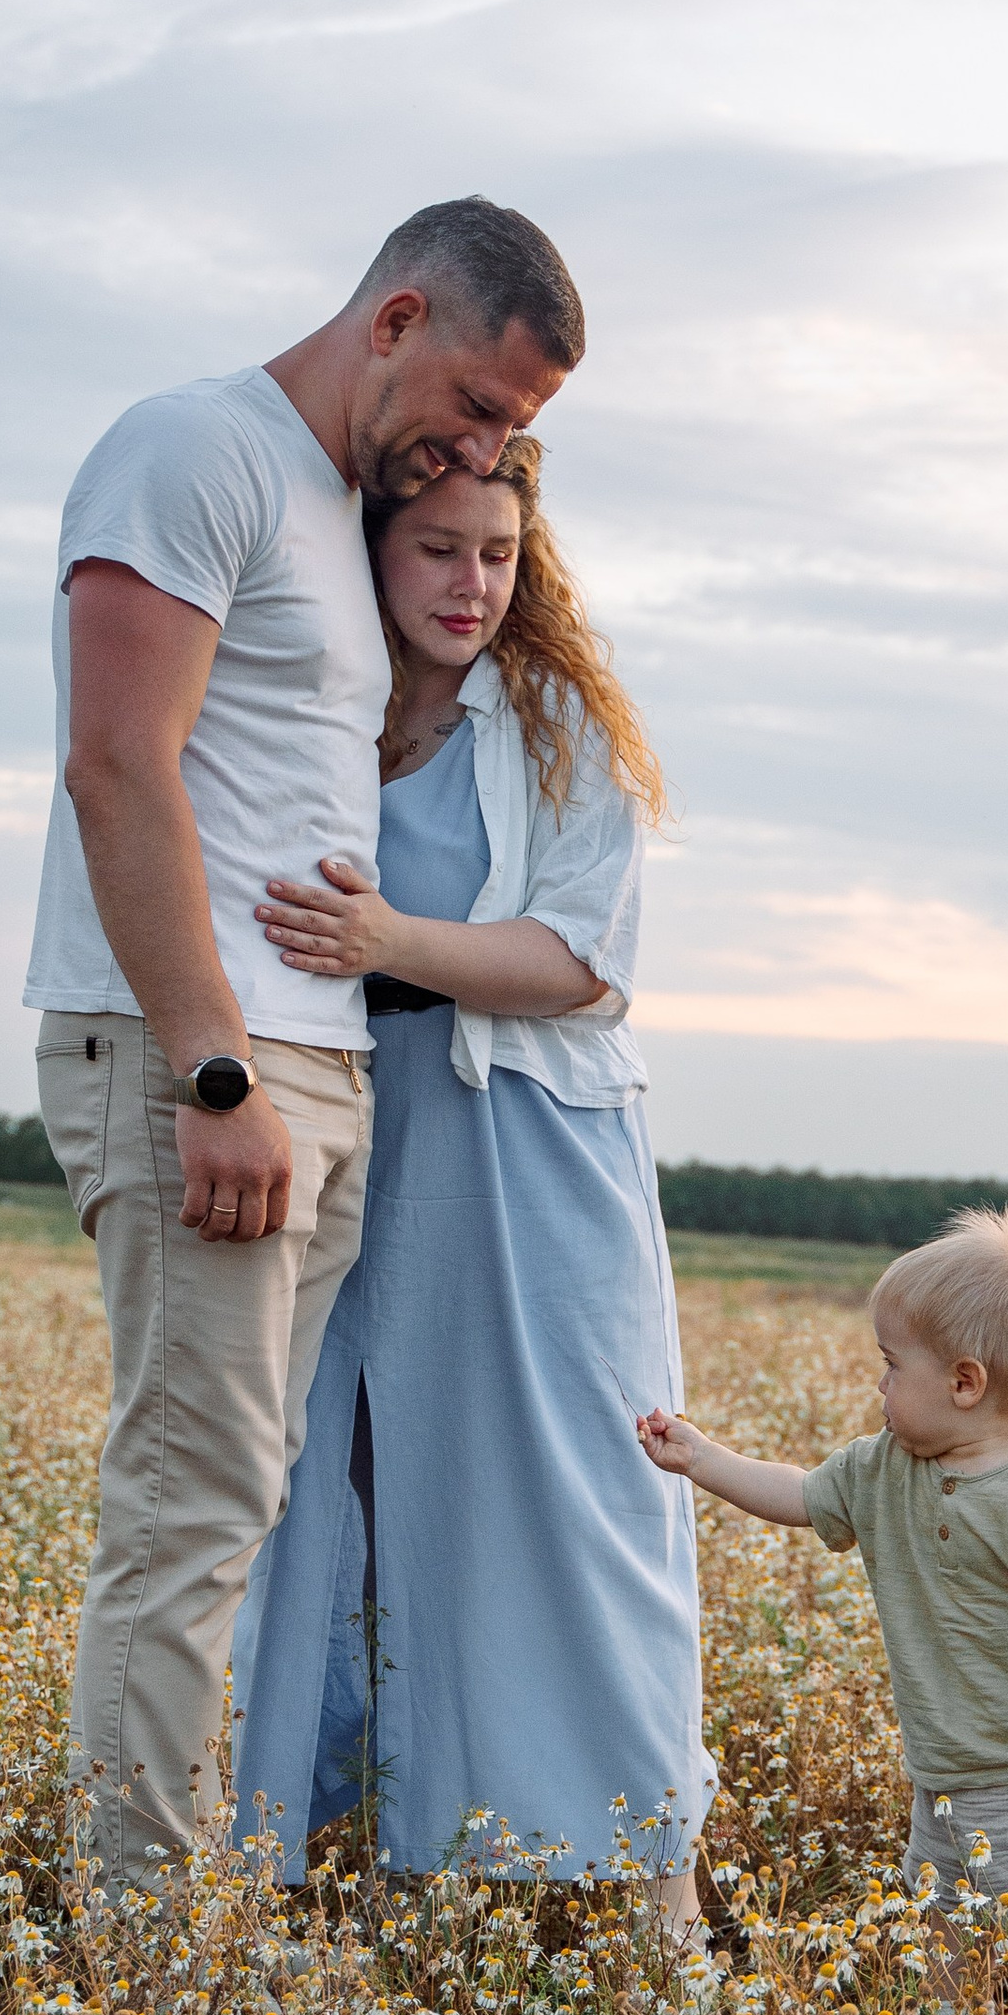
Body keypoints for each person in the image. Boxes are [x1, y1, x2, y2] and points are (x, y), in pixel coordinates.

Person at [25, 197, 585, 1914]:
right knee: (192, 1509)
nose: (485, 453)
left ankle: (180, 1895)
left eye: (515, 436)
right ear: (398, 315)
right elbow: (120, 768)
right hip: (202, 1056)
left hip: (314, 1063)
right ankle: (137, 1954)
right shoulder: (192, 451)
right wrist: (213, 1075)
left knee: (244, 1505)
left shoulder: (342, 513)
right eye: (482, 409)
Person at [225, 430, 711, 1930]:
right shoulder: (320, 711)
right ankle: (370, 1866)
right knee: (335, 1493)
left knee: (579, 1501)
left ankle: (658, 1890)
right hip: (351, 1133)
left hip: (527, 1156)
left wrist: (389, 947)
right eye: (438, 548)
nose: (472, 583)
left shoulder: (560, 719)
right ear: (371, 546)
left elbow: (581, 965)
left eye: (498, 553)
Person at [637, 1208, 1008, 1953]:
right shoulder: (883, 1466)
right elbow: (803, 1496)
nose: (880, 1384)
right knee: (936, 1939)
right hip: (945, 1779)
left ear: (964, 1382)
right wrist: (702, 1459)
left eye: (892, 1364)